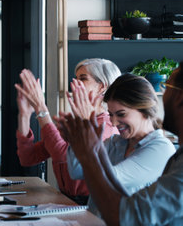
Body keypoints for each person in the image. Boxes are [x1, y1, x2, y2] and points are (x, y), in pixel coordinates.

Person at [59, 66, 183, 225]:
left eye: (121, 114)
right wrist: (79, 136)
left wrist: (87, 145)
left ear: (145, 110)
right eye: (110, 114)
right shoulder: (116, 142)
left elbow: (110, 181)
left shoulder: (161, 148)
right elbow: (76, 171)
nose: (113, 122)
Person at [14, 58, 121, 204]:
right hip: (65, 200)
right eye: (75, 78)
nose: (75, 84)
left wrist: (41, 108)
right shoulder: (73, 122)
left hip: (92, 205)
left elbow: (64, 158)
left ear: (102, 87)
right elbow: (28, 157)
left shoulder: (107, 126)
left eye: (83, 78)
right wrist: (24, 115)